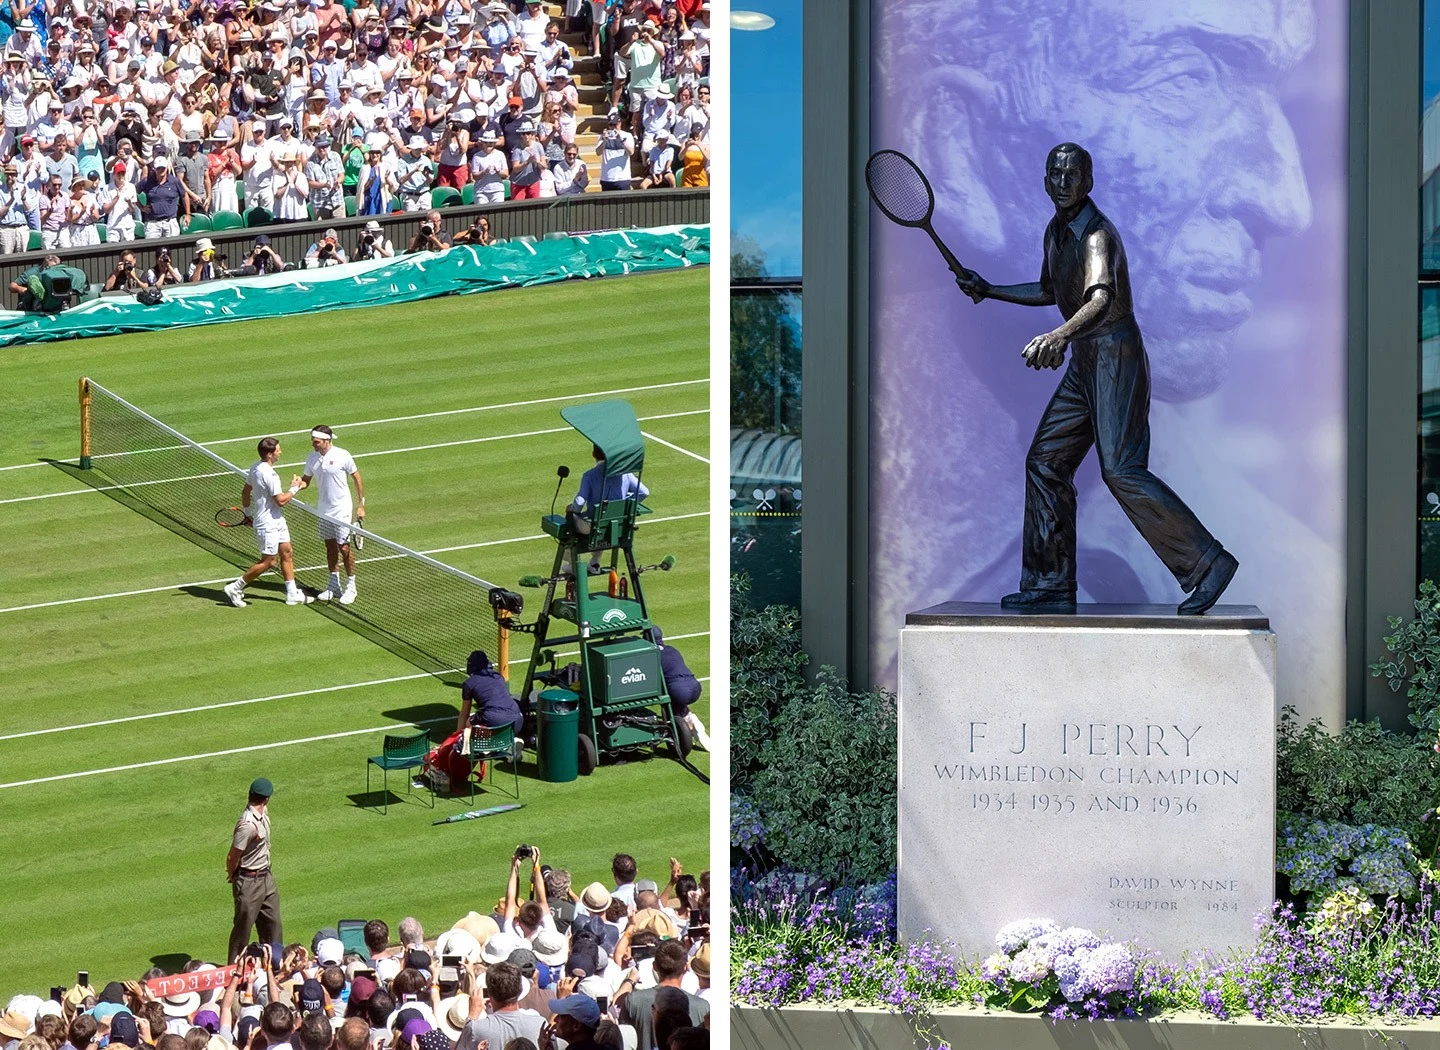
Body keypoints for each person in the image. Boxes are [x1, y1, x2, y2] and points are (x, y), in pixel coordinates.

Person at [954, 143, 1238, 615]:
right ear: (1045, 180)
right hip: (1085, 358)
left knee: (1121, 468)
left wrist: (1058, 335)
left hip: (1115, 355)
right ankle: (1049, 583)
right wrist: (990, 290)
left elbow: (1100, 299)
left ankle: (1209, 564)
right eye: (1055, 173)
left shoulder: (1096, 236)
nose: (1063, 182)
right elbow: (1049, 289)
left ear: (1088, 180)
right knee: (1046, 461)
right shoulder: (1055, 231)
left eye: (1072, 174)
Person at [223, 436, 316, 608]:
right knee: (269, 561)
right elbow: (280, 500)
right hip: (268, 524)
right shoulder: (270, 475)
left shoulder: (255, 468)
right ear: (270, 454)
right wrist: (296, 487)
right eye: (278, 450)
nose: (280, 452)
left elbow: (245, 492)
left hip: (276, 519)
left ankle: (292, 593)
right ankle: (235, 587)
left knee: (287, 552)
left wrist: (248, 514)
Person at [294, 424, 364, 603]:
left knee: (345, 548)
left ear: (327, 440)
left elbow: (356, 478)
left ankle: (351, 586)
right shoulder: (312, 458)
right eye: (312, 441)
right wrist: (298, 484)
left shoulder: (343, 455)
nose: (313, 444)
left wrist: (361, 505)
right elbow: (306, 481)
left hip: (341, 508)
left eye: (316, 441)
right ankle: (334, 585)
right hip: (323, 509)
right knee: (330, 546)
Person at [225, 776, 283, 965]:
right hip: (249, 881)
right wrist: (234, 875)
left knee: (273, 925)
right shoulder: (247, 825)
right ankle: (233, 971)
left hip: (266, 877)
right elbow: (232, 857)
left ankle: (275, 966)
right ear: (266, 798)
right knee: (243, 931)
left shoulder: (262, 812)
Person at [614, 943, 707, 1050]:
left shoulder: (633, 1001)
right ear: (685, 967)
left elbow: (624, 1040)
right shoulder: (702, 1007)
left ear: (654, 966)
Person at [650, 627, 707, 751]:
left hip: (680, 689)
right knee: (677, 702)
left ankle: (689, 725)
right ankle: (688, 717)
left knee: (667, 704)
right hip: (695, 686)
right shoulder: (672, 649)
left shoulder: (651, 655)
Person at [456, 650, 524, 738]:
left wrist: (457, 735)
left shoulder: (469, 683)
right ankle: (512, 741)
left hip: (494, 719)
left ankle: (463, 743)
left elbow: (464, 713)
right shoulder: (498, 677)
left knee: (469, 722)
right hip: (517, 719)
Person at [594, 110, 633, 192]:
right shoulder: (602, 136)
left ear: (620, 123)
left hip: (623, 178)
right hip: (607, 178)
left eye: (616, 124)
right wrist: (604, 140)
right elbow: (598, 152)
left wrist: (621, 140)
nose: (614, 127)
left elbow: (631, 152)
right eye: (611, 125)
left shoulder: (627, 136)